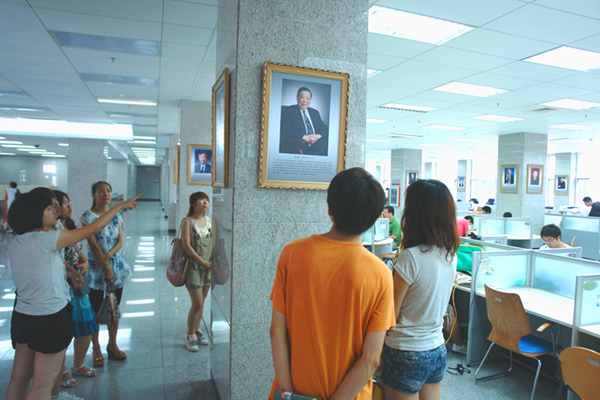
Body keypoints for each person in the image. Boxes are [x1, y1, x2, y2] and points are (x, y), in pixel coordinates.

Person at [269, 167, 395, 400]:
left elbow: (277, 331)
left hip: (294, 390)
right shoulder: (381, 274)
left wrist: (288, 395)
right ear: (374, 219)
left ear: (329, 209)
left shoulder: (292, 253)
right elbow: (371, 359)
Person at [5, 191, 139, 400]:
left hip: (23, 315)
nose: (55, 211)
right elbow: (92, 228)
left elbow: (42, 266)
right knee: (42, 386)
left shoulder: (18, 241)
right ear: (35, 214)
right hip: (49, 317)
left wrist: (69, 272)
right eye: (49, 208)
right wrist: (119, 206)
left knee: (18, 378)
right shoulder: (46, 239)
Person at [381, 179, 459, 400]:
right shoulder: (450, 255)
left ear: (416, 213)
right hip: (436, 348)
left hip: (405, 350)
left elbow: (391, 314)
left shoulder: (411, 258)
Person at [81, 181, 131, 367]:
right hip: (97, 268)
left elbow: (120, 241)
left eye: (108, 191)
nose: (106, 194)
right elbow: (93, 245)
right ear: (93, 195)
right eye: (101, 191)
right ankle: (96, 347)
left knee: (113, 307)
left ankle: (113, 344)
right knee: (95, 309)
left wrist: (109, 258)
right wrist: (106, 266)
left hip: (116, 265)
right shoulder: (87, 217)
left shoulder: (116, 216)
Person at [55, 190, 98, 388]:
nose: (69, 206)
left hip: (79, 285)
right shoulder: (52, 232)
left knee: (86, 326)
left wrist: (84, 263)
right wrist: (72, 273)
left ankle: (78, 364)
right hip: (63, 286)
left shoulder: (70, 226)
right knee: (64, 330)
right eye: (64, 203)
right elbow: (57, 258)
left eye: (68, 202)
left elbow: (77, 250)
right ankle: (60, 370)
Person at [180, 192, 213, 352]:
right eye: (201, 199)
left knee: (202, 301)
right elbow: (186, 246)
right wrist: (201, 262)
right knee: (197, 303)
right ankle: (189, 335)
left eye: (207, 200)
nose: (205, 202)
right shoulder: (188, 222)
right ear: (193, 204)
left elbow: (213, 243)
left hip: (208, 268)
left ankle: (197, 329)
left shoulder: (209, 222)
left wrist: (210, 262)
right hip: (194, 268)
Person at [279, 86, 329, 156]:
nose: (305, 100)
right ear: (297, 98)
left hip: (317, 143)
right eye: (302, 97)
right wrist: (304, 137)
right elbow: (285, 130)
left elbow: (324, 127)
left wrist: (318, 136)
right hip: (301, 144)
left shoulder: (314, 112)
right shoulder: (288, 111)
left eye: (308, 98)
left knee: (327, 141)